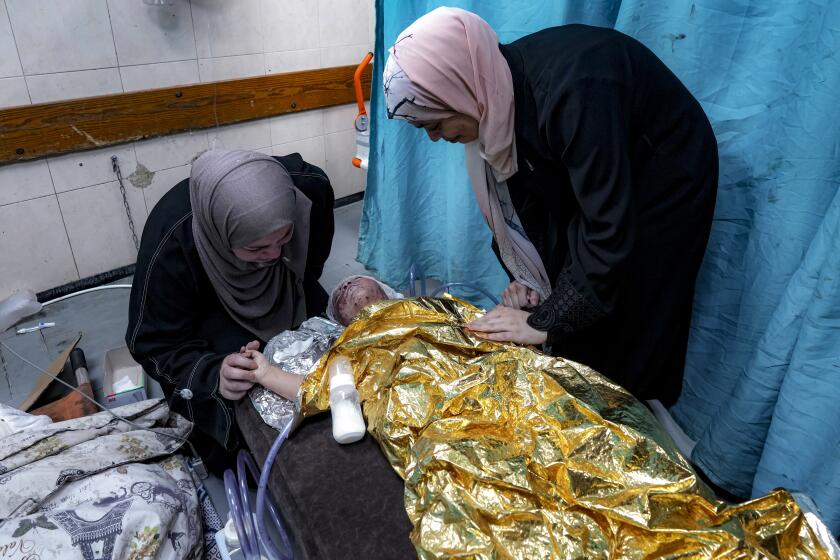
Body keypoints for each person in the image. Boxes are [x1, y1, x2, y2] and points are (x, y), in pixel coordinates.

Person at [382, 8, 718, 406]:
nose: (437, 139)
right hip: (608, 174)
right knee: (573, 285)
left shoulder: (573, 93)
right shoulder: (498, 95)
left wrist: (545, 322)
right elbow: (531, 206)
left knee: (635, 305)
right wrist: (531, 283)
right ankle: (590, 382)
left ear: (460, 89)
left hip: (664, 175)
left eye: (435, 124)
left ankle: (626, 410)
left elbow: (607, 228)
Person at [126, 149, 334, 473]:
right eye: (257, 248)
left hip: (288, 289)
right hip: (209, 316)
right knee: (251, 434)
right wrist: (214, 374)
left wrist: (287, 286)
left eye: (285, 237)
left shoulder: (307, 192)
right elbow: (154, 343)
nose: (276, 253)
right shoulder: (173, 244)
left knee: (337, 364)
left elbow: (309, 265)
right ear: (218, 236)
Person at [327, 275, 402, 326]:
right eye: (338, 296)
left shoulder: (412, 308)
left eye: (356, 279)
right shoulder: (353, 348)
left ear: (386, 294)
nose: (346, 284)